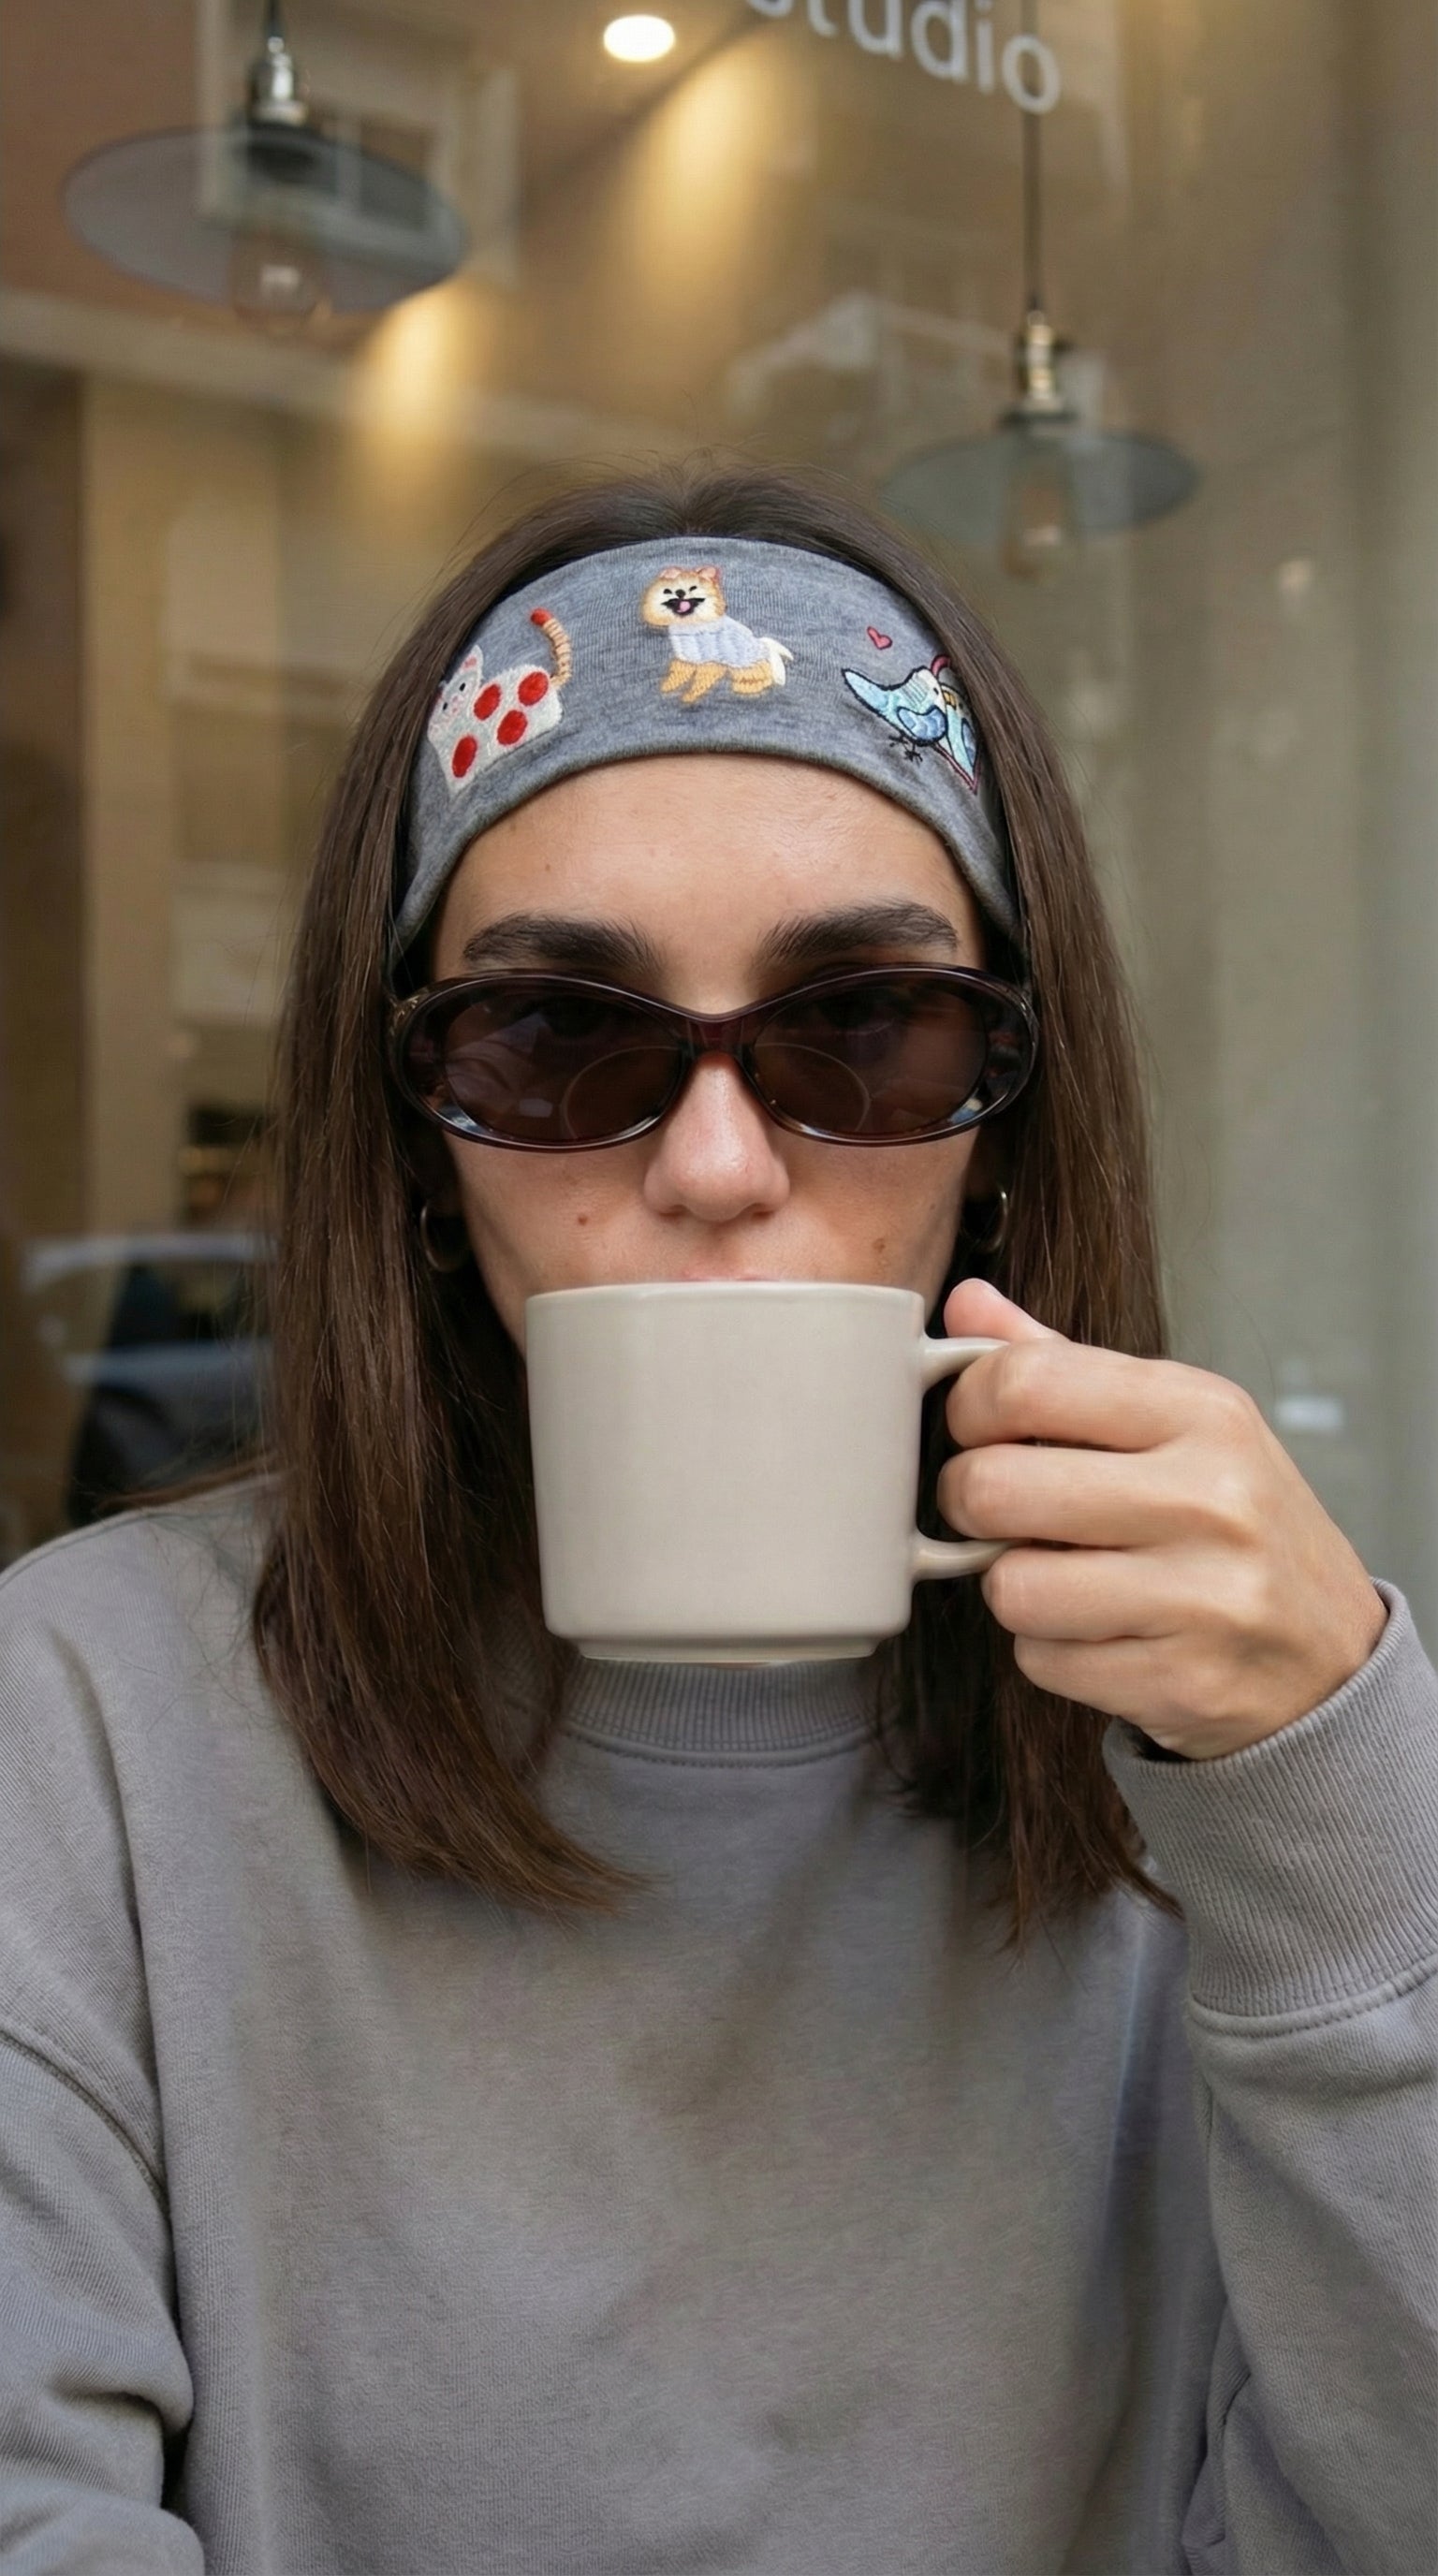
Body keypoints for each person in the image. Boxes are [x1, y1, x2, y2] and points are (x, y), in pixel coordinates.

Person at [0, 463, 1432, 2574]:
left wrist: (1337, 1817)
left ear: (1003, 1123)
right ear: (417, 1138)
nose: (719, 1165)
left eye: (865, 1028)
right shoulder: (85, 1724)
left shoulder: (1231, 1738)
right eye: (555, 1039)